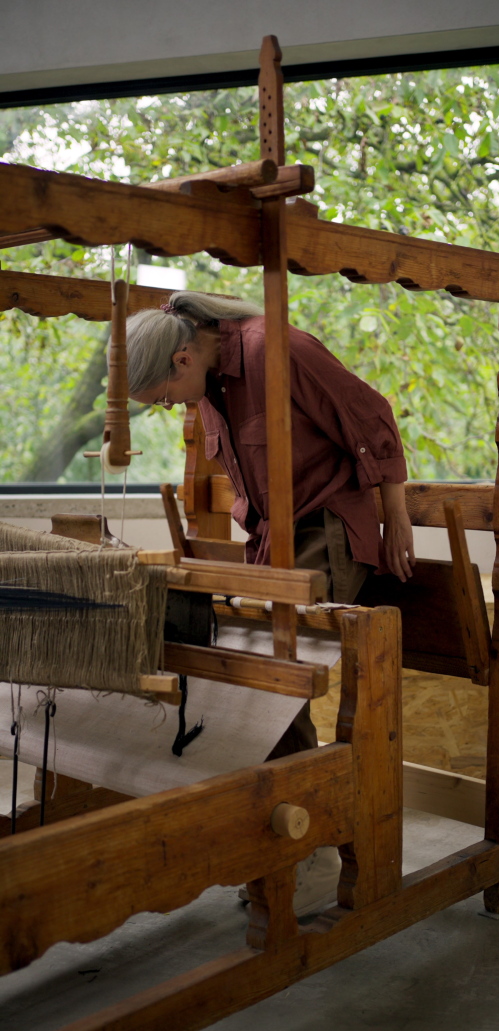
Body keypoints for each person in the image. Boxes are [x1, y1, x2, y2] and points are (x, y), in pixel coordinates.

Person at [126, 291, 415, 914]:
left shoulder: (274, 350)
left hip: (327, 531)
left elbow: (372, 416)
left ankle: (310, 850)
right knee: (248, 682)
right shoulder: (211, 387)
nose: (170, 406)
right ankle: (287, 833)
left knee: (268, 684)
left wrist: (398, 518)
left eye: (162, 397)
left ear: (182, 359)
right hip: (273, 542)